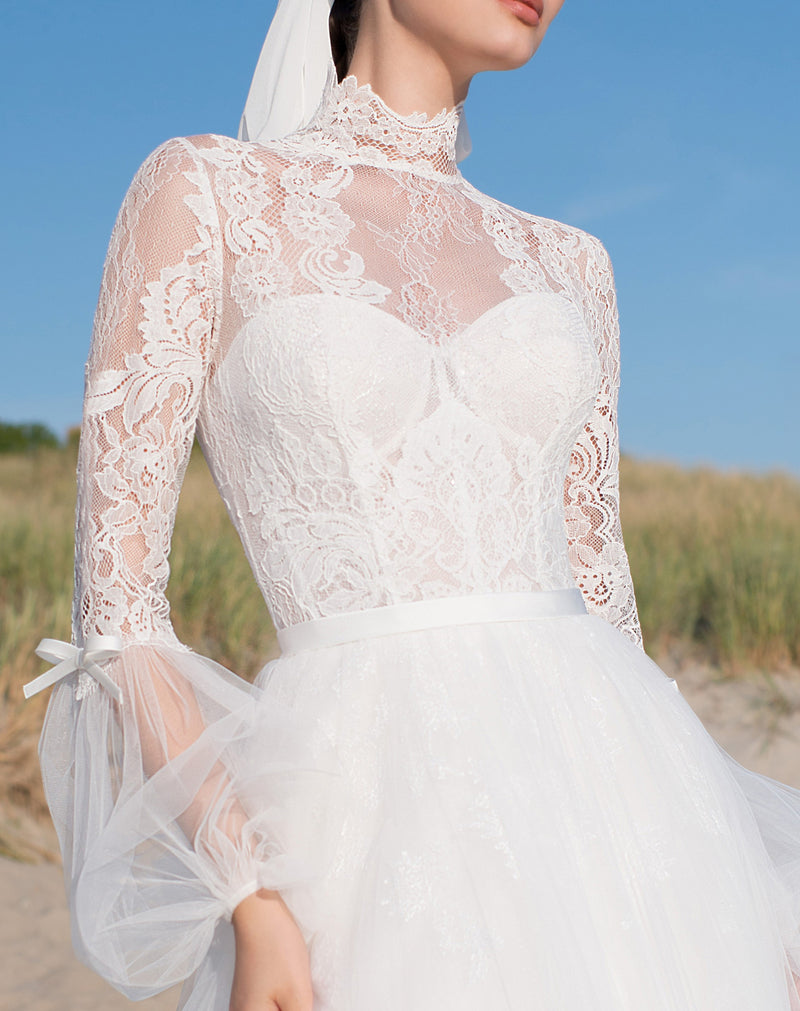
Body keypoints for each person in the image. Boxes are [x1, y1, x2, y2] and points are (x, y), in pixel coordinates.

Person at [25, 0, 800, 1008]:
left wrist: (730, 889)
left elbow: (605, 600)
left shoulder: (571, 264)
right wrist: (250, 893)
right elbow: (120, 611)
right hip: (358, 815)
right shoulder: (208, 192)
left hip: (619, 806)